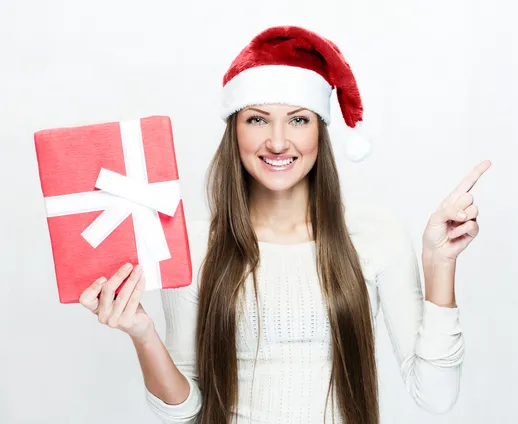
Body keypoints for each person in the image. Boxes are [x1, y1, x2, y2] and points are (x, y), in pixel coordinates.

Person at [79, 25, 490, 424]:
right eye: (257, 119)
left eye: (298, 120)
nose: (277, 142)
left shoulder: (374, 235)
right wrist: (142, 332)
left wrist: (439, 265)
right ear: (234, 130)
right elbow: (184, 411)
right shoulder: (197, 244)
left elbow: (435, 397)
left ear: (320, 131)